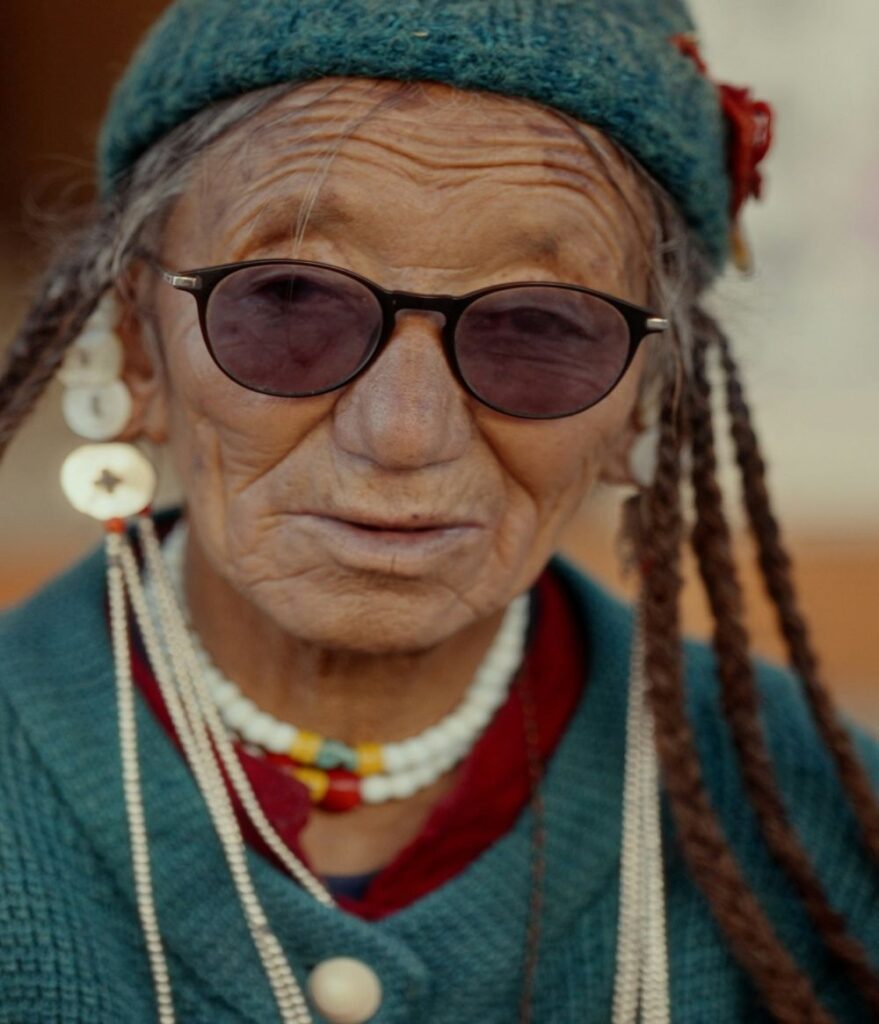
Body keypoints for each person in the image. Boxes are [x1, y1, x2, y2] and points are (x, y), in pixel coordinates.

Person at [1, 1, 877, 1022]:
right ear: (139, 350)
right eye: (288, 298)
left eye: (539, 323)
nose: (405, 430)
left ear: (644, 395)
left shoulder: (821, 834)